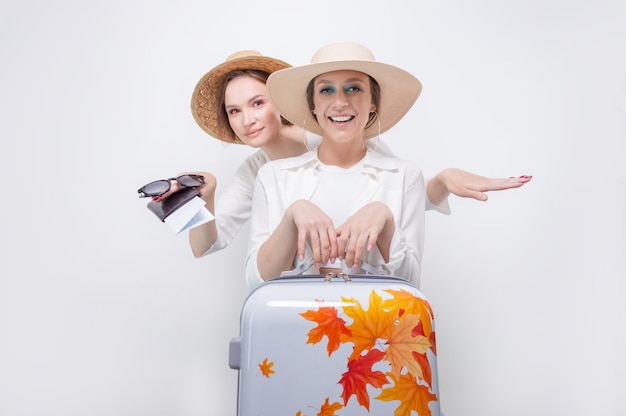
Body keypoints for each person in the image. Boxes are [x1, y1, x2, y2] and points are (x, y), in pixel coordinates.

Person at [152, 49, 531, 266]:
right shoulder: (257, 172)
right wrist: (206, 195)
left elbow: (399, 191)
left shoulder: (334, 128)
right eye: (234, 111)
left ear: (280, 104)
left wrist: (443, 181)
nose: (247, 119)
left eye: (257, 103)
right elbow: (204, 245)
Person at [245, 41, 532, 290]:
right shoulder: (273, 177)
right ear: (313, 106)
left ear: (372, 102)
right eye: (326, 90)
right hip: (293, 332)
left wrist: (386, 220)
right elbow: (256, 282)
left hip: (379, 341)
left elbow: (410, 284)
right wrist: (292, 215)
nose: (340, 102)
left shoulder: (405, 176)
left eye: (354, 88)